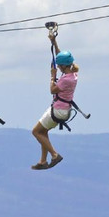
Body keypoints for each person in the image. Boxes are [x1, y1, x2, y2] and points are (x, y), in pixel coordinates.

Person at [31, 35, 78, 170]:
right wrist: (54, 42)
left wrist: (52, 76)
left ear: (63, 66)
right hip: (63, 109)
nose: (58, 67)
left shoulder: (65, 80)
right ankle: (42, 161)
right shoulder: (73, 74)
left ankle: (54, 155)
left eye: (59, 65)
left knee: (36, 132)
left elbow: (52, 90)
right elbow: (61, 56)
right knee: (43, 132)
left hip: (58, 110)